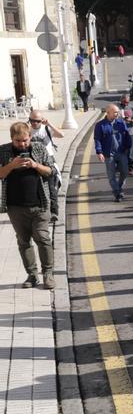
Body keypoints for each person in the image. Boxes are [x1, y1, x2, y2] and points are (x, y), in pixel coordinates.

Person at [1, 122, 58, 289]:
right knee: (23, 241)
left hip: (40, 204)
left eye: (25, 140)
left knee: (43, 238)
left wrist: (35, 165)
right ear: (12, 139)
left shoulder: (39, 149)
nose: (23, 144)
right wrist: (11, 165)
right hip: (15, 206)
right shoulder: (3, 151)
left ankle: (48, 274)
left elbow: (51, 171)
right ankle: (32, 275)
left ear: (30, 137)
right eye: (18, 141)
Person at [93, 104, 133, 202]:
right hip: (108, 154)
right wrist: (99, 152)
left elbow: (127, 135)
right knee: (111, 176)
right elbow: (97, 139)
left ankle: (119, 188)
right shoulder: (100, 125)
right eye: (115, 112)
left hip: (121, 152)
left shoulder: (121, 123)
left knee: (124, 172)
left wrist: (128, 147)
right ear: (108, 112)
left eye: (118, 112)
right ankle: (117, 193)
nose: (117, 114)